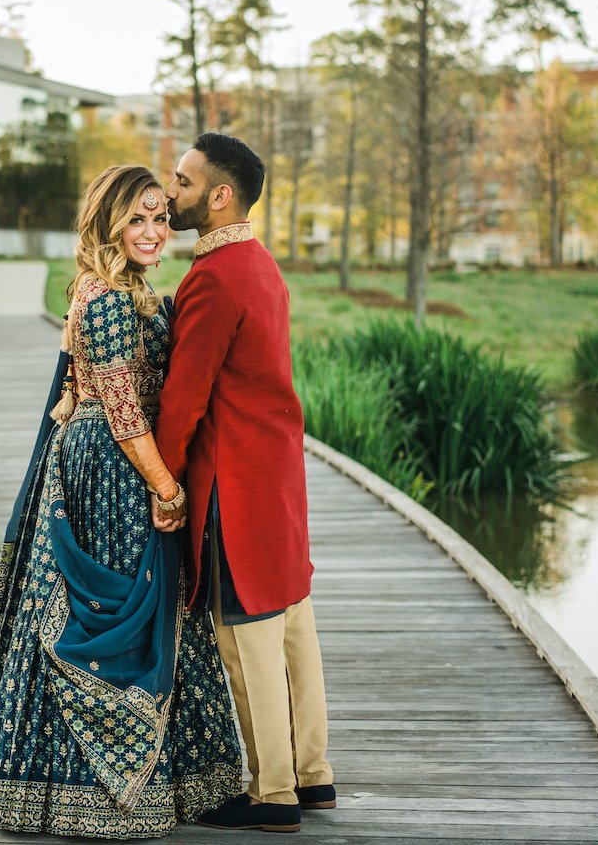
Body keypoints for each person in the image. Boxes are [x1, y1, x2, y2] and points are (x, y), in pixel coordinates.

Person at [0, 164, 242, 838]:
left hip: (96, 459)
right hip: (114, 469)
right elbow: (124, 414)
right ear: (108, 223)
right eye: (135, 218)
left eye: (159, 216)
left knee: (139, 605)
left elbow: (76, 389)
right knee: (127, 605)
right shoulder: (109, 299)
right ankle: (109, 792)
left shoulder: (105, 288)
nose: (151, 230)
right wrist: (168, 489)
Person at [153, 133, 335, 833]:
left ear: (219, 194)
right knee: (293, 629)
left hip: (234, 486)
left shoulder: (216, 276)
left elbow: (183, 401)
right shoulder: (261, 264)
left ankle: (273, 795)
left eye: (183, 181)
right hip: (279, 480)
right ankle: (313, 776)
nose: (171, 193)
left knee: (247, 641)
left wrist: (164, 486)